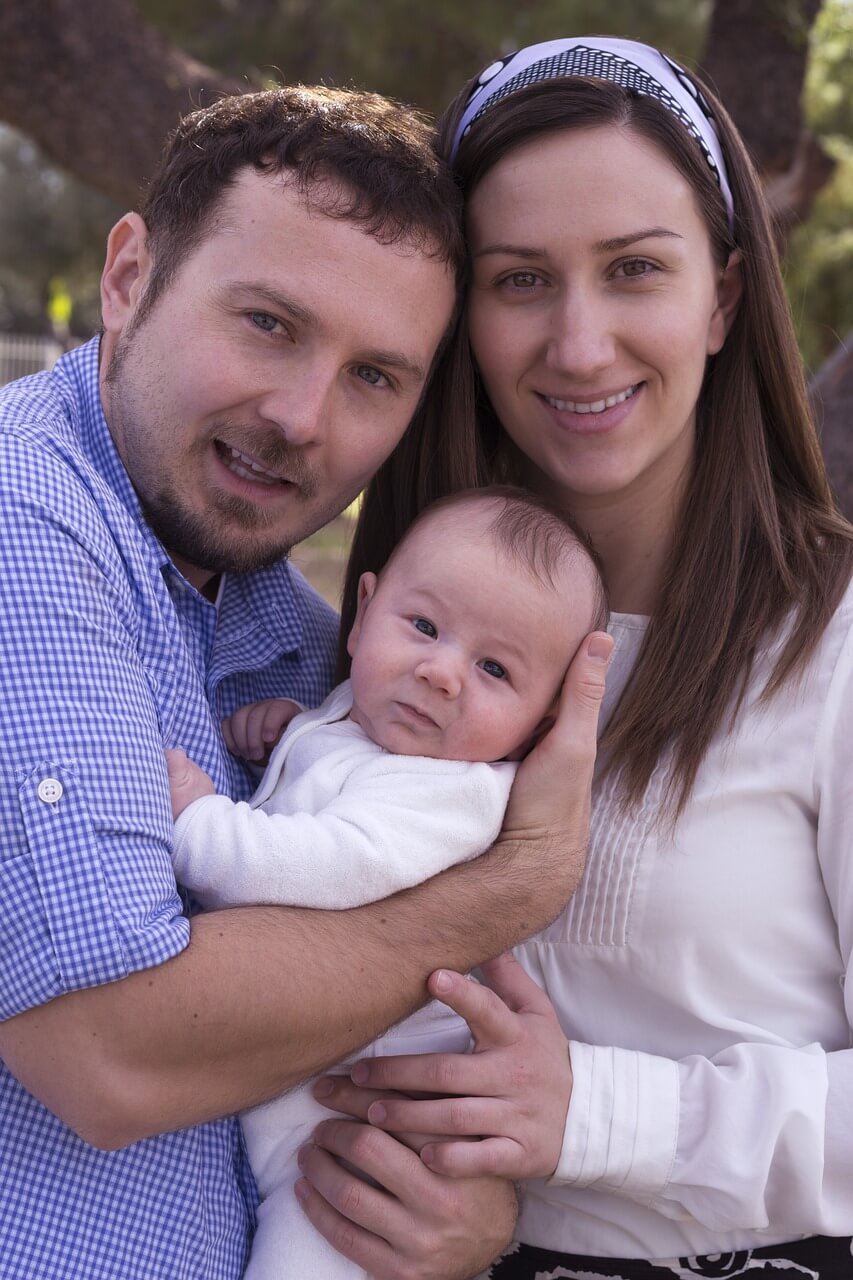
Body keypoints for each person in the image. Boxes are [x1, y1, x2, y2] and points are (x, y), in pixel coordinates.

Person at [0, 84, 613, 1279]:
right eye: (268, 323)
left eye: (374, 376)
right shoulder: (27, 520)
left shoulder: (307, 635)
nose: (300, 417)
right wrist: (515, 879)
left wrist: (461, 1210)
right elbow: (108, 1053)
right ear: (128, 277)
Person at [317, 36, 853, 1278]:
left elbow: (561, 1110)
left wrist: (594, 1116)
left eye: (634, 270)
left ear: (722, 298)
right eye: (519, 280)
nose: (578, 343)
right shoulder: (390, 637)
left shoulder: (831, 638)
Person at [165, 485, 607, 1280]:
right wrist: (290, 732)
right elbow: (336, 768)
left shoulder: (459, 794)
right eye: (424, 627)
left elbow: (326, 868)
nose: (441, 672)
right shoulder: (360, 719)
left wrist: (202, 823)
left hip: (370, 1142)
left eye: (494, 668)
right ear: (363, 612)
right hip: (295, 1098)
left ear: (540, 725)